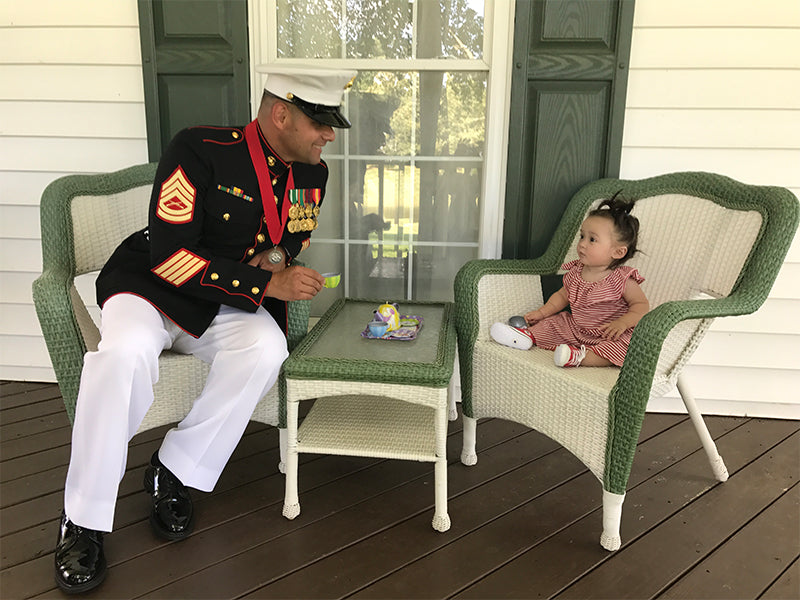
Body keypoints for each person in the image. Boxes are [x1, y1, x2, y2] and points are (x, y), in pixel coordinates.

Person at [53, 65, 357, 594]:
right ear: (280, 112)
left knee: (266, 348)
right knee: (123, 355)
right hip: (151, 288)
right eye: (320, 122)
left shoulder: (313, 175)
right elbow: (170, 258)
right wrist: (266, 286)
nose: (328, 134)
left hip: (218, 301)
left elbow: (291, 239)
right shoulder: (198, 149)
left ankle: (175, 467)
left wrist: (278, 258)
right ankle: (83, 518)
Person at [490, 193, 650, 368]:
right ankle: (525, 337)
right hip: (576, 329)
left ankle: (579, 357)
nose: (582, 244)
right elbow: (562, 296)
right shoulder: (576, 272)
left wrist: (623, 323)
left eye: (592, 239)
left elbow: (641, 306)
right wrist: (542, 313)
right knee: (554, 323)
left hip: (608, 333)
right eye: (582, 236)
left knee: (623, 348)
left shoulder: (622, 279)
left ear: (618, 252)